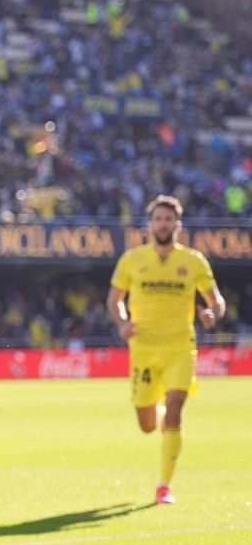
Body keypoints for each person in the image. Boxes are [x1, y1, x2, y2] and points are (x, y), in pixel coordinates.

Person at [106, 195, 225, 505]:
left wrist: (213, 313)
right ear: (150, 225)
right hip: (143, 350)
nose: (163, 224)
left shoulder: (193, 261)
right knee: (147, 425)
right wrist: (122, 323)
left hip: (180, 348)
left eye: (168, 219)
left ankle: (164, 486)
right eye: (158, 219)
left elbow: (216, 299)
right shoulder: (132, 260)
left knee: (176, 407)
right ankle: (157, 415)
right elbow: (114, 298)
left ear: (178, 225)